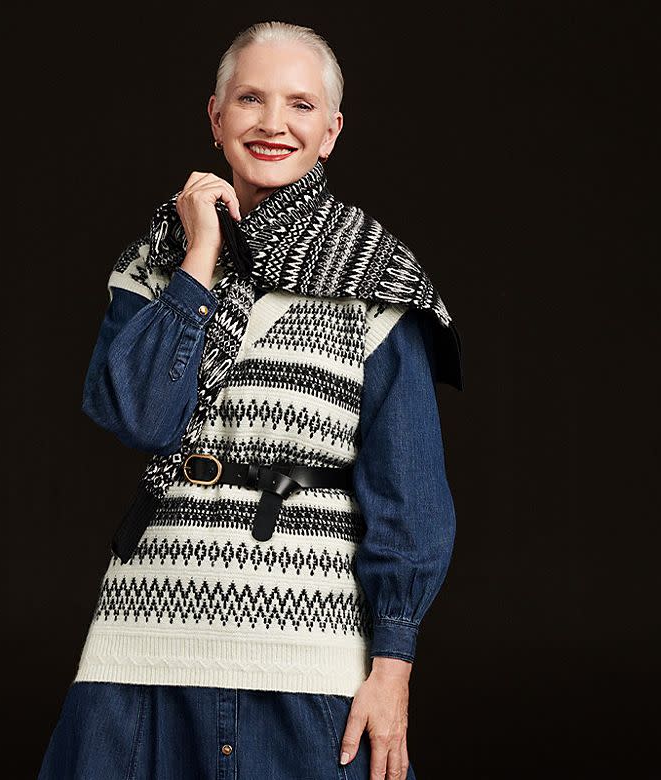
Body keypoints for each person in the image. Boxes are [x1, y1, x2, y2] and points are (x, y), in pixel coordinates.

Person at [38, 20, 462, 780]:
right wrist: (199, 257)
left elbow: (412, 495)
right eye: (250, 99)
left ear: (330, 133)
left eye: (300, 105)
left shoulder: (378, 276)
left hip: (305, 652)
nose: (273, 123)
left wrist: (393, 666)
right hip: (144, 636)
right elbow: (140, 418)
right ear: (215, 116)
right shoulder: (155, 262)